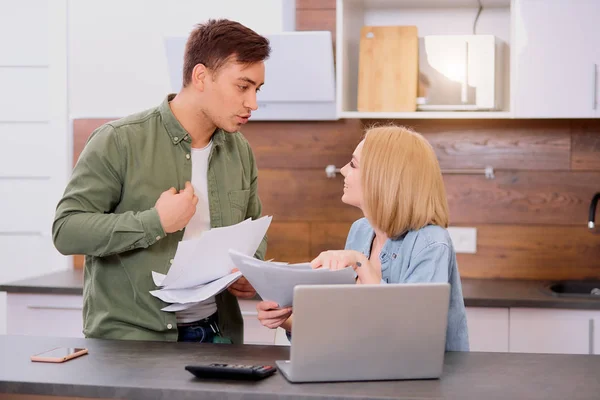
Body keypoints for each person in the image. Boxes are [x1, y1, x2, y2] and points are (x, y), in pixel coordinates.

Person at [52, 19, 270, 343]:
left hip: (218, 334)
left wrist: (251, 271)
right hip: (132, 342)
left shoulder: (240, 151)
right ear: (200, 77)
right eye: (243, 86)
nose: (252, 103)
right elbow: (66, 231)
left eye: (257, 90)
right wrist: (154, 222)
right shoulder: (118, 141)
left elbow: (252, 229)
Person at [256, 125, 470, 351]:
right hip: (369, 372)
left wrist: (360, 264)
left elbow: (413, 336)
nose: (342, 170)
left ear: (383, 178)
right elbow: (349, 327)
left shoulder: (431, 243)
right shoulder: (361, 231)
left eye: (353, 165)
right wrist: (286, 321)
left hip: (422, 383)